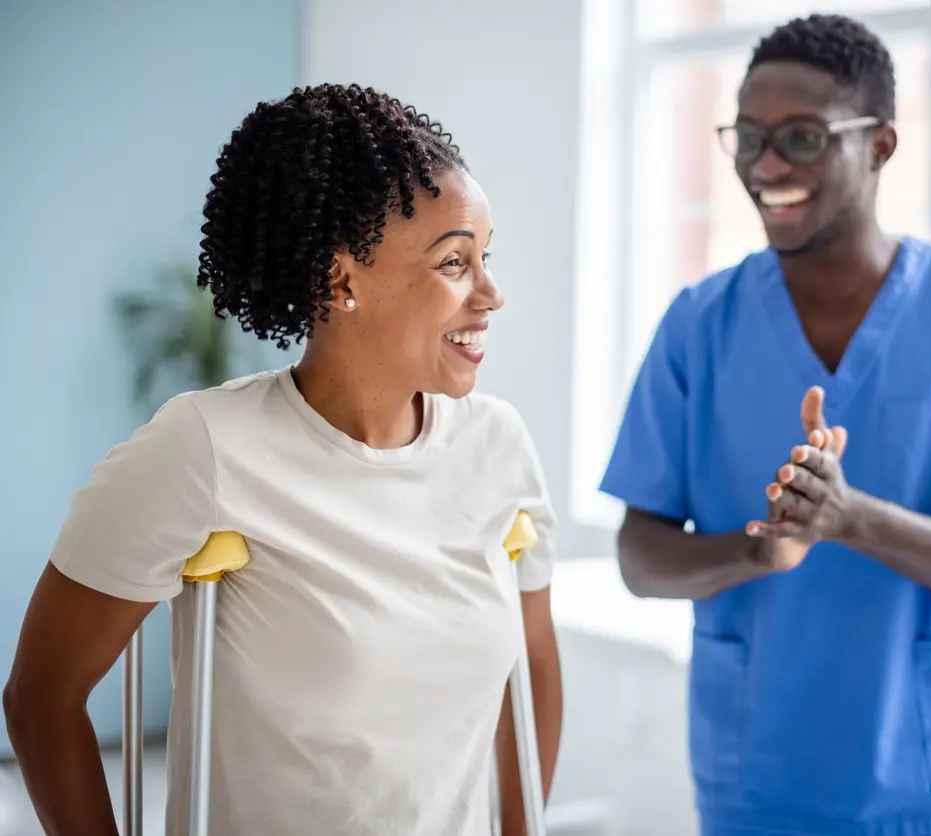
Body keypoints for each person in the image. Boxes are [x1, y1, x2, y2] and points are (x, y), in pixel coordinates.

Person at [3, 83, 561, 836]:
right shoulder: (205, 447)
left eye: (485, 258)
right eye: (455, 262)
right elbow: (42, 695)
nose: (491, 293)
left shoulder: (498, 445)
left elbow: (531, 664)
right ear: (341, 280)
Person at [599, 14, 931, 836]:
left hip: (927, 787)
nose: (766, 165)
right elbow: (641, 557)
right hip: (756, 783)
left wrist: (851, 520)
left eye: (802, 138)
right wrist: (760, 548)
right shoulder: (698, 325)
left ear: (880, 145)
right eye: (747, 137)